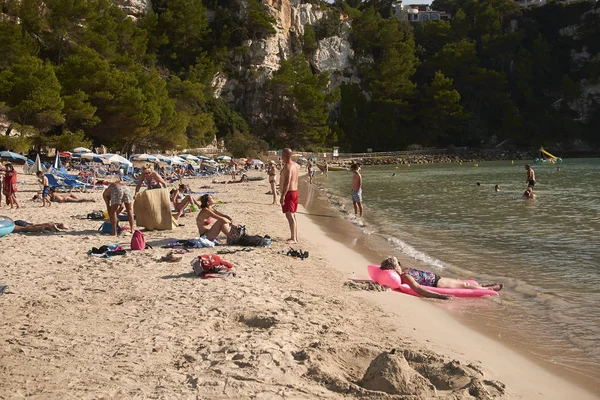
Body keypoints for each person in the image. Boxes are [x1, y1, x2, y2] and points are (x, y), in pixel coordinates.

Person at [380, 256, 503, 300]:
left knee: (461, 282)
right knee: (465, 285)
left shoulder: (405, 272)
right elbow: (418, 289)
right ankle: (489, 290)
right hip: (437, 283)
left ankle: (483, 286)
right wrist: (439, 296)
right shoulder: (405, 276)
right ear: (396, 268)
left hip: (436, 278)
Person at [280, 148, 300, 244]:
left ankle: (294, 238)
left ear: (284, 155)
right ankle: (294, 236)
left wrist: (283, 195)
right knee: (293, 214)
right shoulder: (296, 165)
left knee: (290, 215)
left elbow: (287, 182)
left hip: (289, 192)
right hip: (295, 191)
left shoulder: (288, 166)